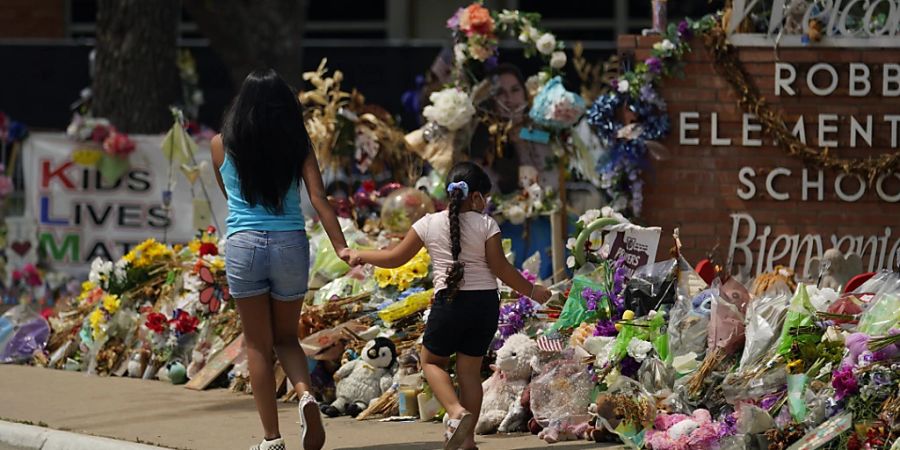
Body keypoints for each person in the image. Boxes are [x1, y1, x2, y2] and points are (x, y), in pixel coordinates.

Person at [347, 162, 552, 450]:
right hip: (484, 305)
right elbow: (501, 268)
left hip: (450, 303)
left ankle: (456, 412)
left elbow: (395, 258)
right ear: (477, 197)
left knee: (430, 361)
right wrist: (533, 290)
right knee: (469, 371)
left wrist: (360, 254)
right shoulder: (486, 224)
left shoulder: (428, 223)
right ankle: (467, 442)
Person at [211, 68, 350, 450]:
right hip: (290, 242)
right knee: (288, 337)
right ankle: (305, 395)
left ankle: (272, 439)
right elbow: (319, 198)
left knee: (257, 345)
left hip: (244, 244)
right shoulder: (297, 145)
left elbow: (230, 196)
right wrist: (341, 247)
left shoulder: (221, 144)